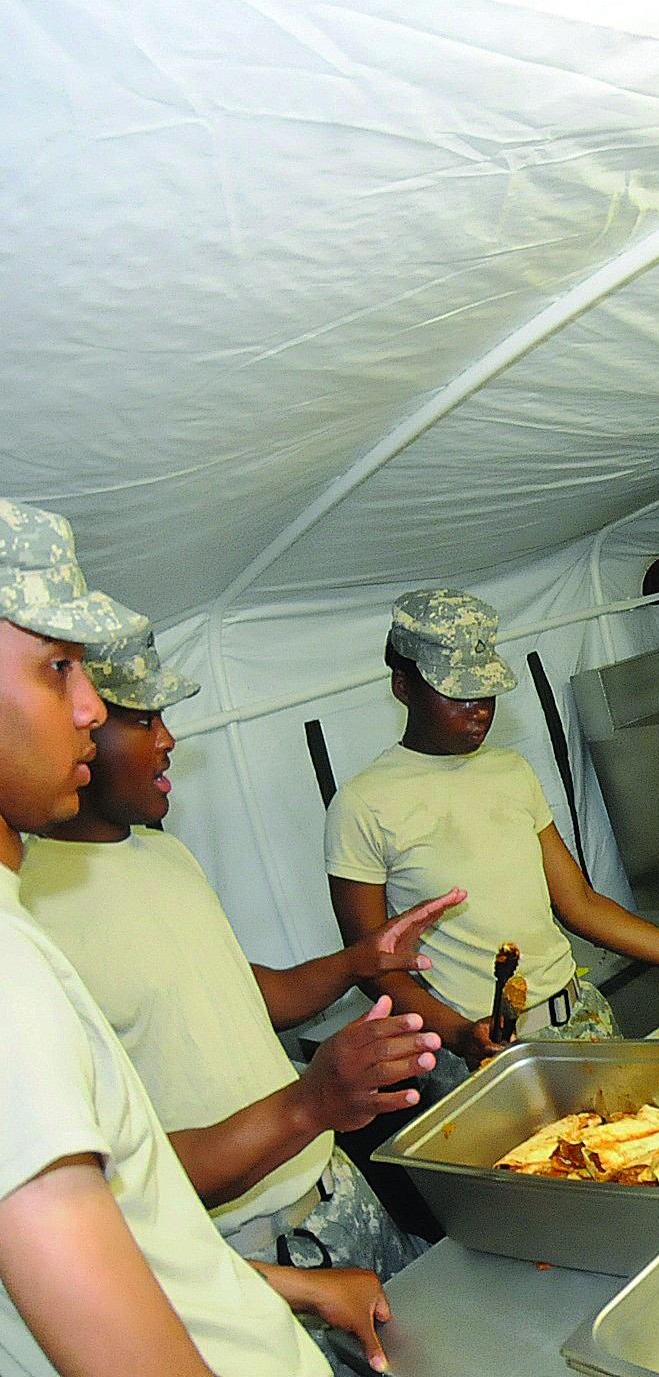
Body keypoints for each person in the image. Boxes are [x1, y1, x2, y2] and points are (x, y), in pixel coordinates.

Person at [0, 499, 395, 1376]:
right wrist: (308, 1104)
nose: (91, 709)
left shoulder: (161, 859)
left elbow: (236, 994)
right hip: (255, 1222)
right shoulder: (20, 945)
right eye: (57, 667)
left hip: (320, 1200)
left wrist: (358, 965)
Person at [326, 587, 659, 1087]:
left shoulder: (511, 771)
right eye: (457, 693)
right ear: (403, 686)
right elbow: (370, 963)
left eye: (486, 692)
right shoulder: (364, 804)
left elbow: (580, 904)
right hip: (485, 1054)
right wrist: (457, 1034)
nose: (478, 710)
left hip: (580, 1020)